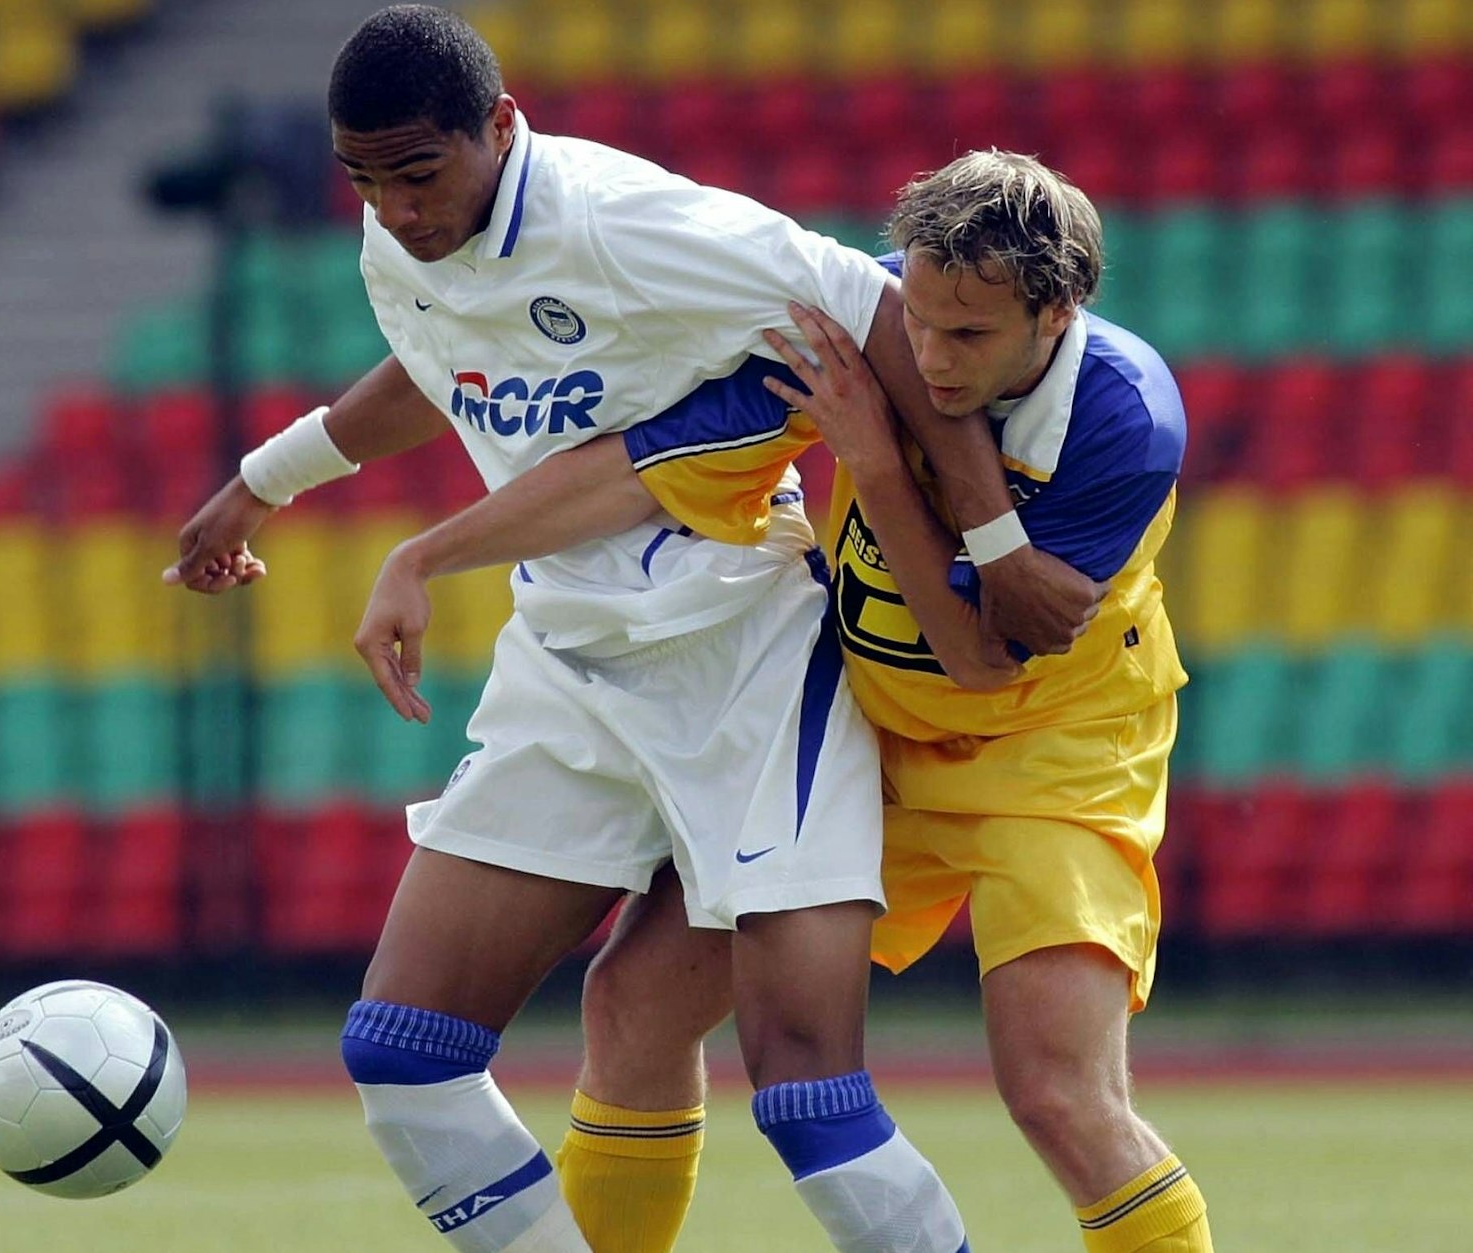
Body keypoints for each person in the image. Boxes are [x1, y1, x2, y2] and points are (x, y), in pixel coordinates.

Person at [167, 10, 1095, 1251]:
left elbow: (872, 309)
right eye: (364, 180)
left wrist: (991, 540)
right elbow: (444, 362)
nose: (392, 208)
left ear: (501, 127)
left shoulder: (624, 221)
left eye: (417, 173)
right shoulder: (401, 241)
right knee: (402, 1050)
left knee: (804, 1088)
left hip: (741, 655)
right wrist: (264, 479)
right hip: (570, 656)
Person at [413, 151, 1207, 1253]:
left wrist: (875, 463)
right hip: (868, 736)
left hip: (1052, 760)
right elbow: (648, 461)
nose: (929, 356)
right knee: (635, 1006)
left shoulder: (1120, 417)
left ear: (1056, 312)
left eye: (967, 335)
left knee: (1056, 1094)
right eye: (916, 321)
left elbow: (981, 660)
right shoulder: (860, 324)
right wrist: (420, 551)